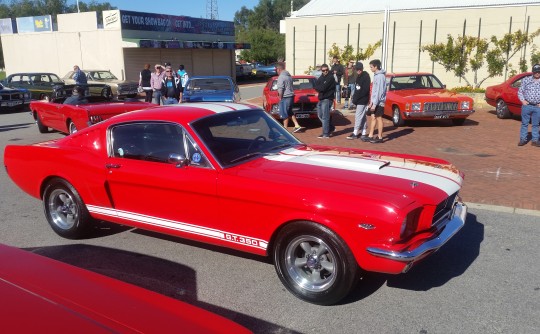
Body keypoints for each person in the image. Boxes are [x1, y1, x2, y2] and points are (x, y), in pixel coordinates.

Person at [276, 62, 305, 133]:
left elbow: (280, 89)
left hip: (285, 97)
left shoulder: (281, 77)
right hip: (291, 96)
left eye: (276, 70)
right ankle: (297, 125)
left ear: (279, 69)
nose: (276, 71)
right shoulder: (289, 76)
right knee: (289, 112)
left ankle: (285, 130)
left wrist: (280, 97)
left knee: (284, 113)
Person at [346, 62, 371, 141]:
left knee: (358, 116)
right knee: (363, 116)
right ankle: (363, 132)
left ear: (362, 69)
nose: (358, 71)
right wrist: (355, 99)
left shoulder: (365, 76)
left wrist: (357, 98)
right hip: (359, 100)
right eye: (357, 69)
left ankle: (355, 132)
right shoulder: (358, 77)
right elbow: (357, 89)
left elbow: (365, 90)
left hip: (363, 100)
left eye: (359, 69)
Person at [517, 63, 540, 146]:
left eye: (539, 72)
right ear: (533, 72)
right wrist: (523, 101)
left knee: (536, 124)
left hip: (537, 107)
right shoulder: (526, 80)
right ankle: (523, 139)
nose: (537, 73)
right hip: (527, 105)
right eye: (535, 71)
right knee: (524, 123)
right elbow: (520, 91)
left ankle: (535, 140)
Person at [366, 59, 387, 143]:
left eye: (371, 67)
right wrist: (371, 102)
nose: (370, 68)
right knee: (373, 117)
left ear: (376, 66)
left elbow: (379, 91)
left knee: (379, 117)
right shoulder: (376, 75)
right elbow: (374, 90)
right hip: (374, 101)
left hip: (379, 102)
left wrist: (375, 103)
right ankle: (371, 135)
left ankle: (380, 137)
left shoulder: (380, 76)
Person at [314, 63, 336, 138]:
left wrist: (320, 87)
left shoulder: (330, 77)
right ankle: (330, 127)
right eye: (323, 70)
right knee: (320, 115)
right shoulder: (321, 77)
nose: (325, 72)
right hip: (321, 98)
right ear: (321, 71)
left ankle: (326, 133)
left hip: (327, 99)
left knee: (325, 116)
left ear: (328, 70)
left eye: (326, 70)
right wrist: (320, 87)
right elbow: (316, 86)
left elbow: (323, 88)